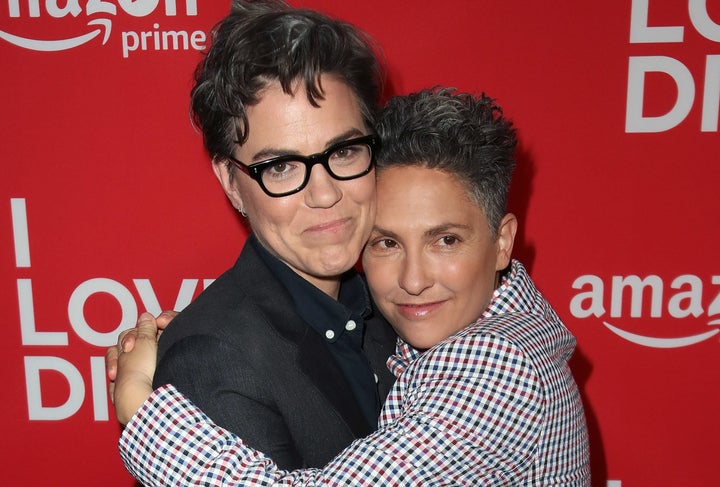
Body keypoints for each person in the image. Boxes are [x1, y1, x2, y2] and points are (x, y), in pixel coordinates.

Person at [112, 87, 592, 485]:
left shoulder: (496, 365)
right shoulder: (486, 327)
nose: (413, 280)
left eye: (446, 240)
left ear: (503, 241)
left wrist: (142, 407)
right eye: (385, 242)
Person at [107, 0, 398, 469]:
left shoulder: (396, 304)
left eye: (343, 151)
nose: (324, 195)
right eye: (280, 166)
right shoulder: (212, 361)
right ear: (231, 184)